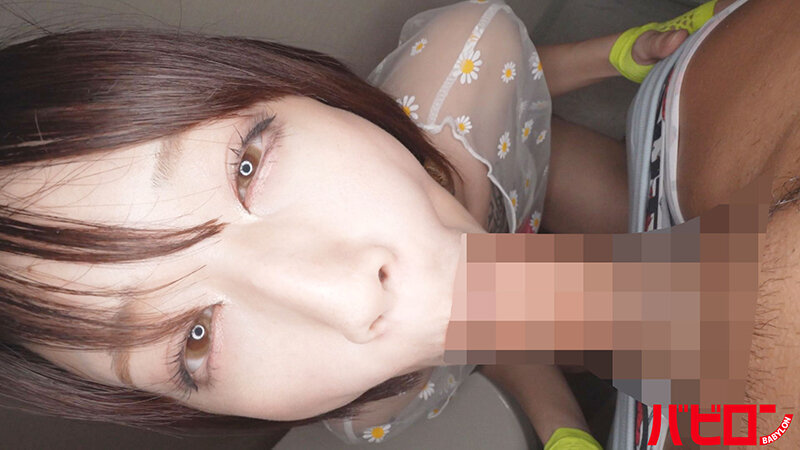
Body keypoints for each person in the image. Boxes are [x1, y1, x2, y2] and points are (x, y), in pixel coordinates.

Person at [0, 0, 727, 448]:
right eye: (193, 339)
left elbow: (523, 79)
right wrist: (558, 421)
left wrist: (625, 53)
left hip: (530, 169)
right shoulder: (370, 409)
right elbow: (480, 336)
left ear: (291, 86)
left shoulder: (465, 60)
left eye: (245, 168)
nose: (348, 298)